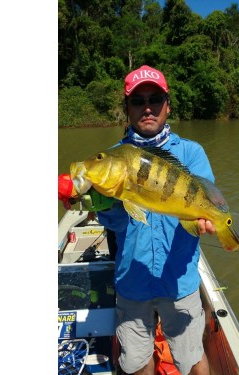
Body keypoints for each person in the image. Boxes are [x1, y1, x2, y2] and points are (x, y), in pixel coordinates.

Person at [97, 65, 215, 375]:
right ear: (127, 109)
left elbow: (205, 204)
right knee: (136, 362)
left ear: (168, 105)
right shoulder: (113, 158)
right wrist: (100, 199)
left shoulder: (191, 153)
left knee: (192, 359)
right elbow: (112, 222)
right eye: (138, 101)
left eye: (155, 99)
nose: (147, 108)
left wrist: (206, 220)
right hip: (132, 282)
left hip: (180, 282)